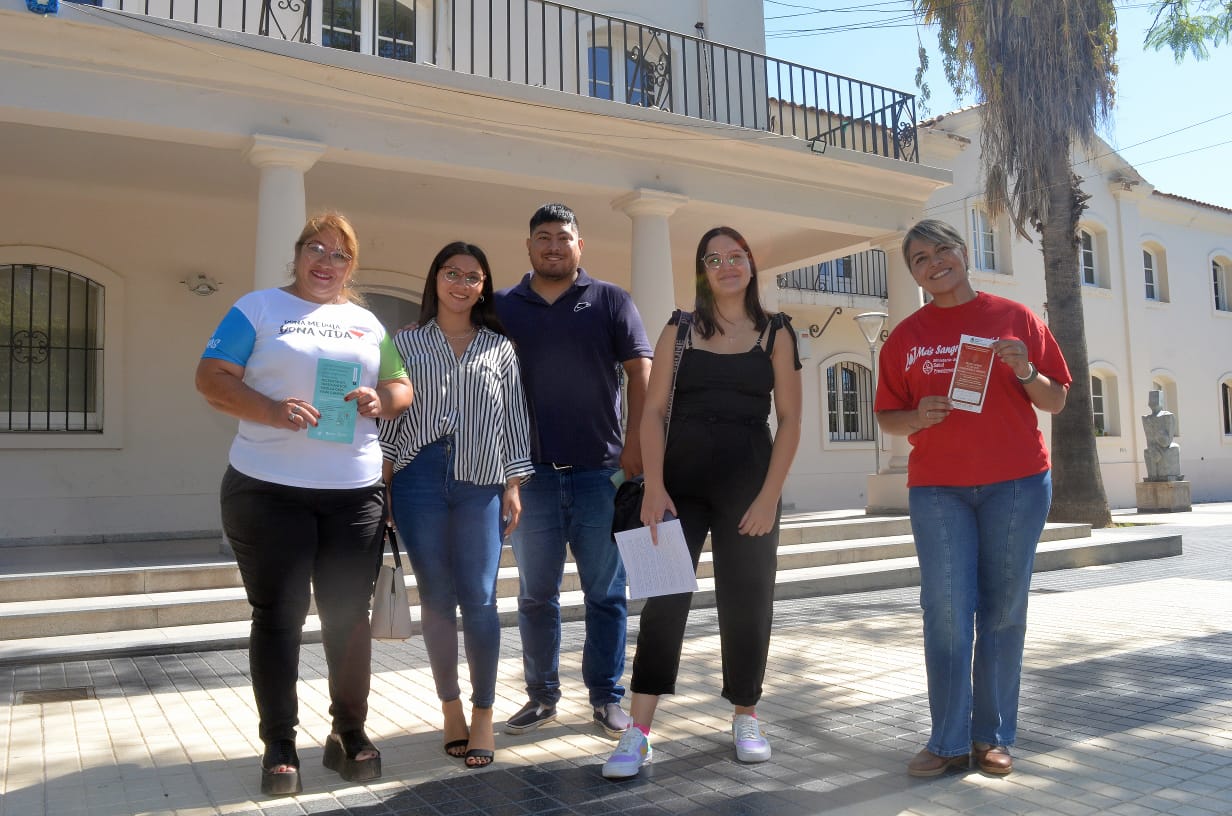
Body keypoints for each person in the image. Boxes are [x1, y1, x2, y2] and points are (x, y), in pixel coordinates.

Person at [195, 212, 413, 796]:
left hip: (354, 495)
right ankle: (279, 744)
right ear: (296, 255)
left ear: (351, 266)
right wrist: (271, 410)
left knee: (348, 616)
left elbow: (402, 387)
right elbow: (211, 377)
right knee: (279, 617)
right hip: (267, 490)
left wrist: (380, 399)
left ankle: (349, 733)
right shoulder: (258, 308)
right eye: (316, 248)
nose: (326, 261)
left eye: (340, 254)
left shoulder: (366, 322)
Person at [601, 226, 802, 779]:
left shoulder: (777, 332)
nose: (726, 266)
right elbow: (651, 412)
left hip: (750, 488)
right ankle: (639, 732)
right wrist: (655, 487)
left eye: (736, 256)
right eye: (714, 259)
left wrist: (770, 496)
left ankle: (746, 714)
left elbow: (790, 421)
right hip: (677, 487)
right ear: (702, 272)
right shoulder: (680, 328)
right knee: (663, 604)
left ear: (750, 264)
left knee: (748, 601)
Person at [873, 219, 1070, 778]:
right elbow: (887, 416)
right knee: (946, 611)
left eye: (942, 251)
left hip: (1017, 484)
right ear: (913, 274)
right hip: (938, 489)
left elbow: (1055, 400)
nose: (934, 263)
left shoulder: (1015, 318)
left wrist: (1025, 369)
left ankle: (993, 737)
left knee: (1004, 610)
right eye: (920, 259)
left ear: (963, 252)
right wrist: (917, 416)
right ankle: (947, 740)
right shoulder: (905, 337)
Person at [494, 203, 653, 738]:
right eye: (543, 237)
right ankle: (542, 697)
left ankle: (606, 698)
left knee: (606, 594)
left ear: (580, 246)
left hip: (599, 476)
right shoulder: (502, 306)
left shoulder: (611, 300)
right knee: (535, 596)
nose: (553, 246)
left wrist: (634, 445)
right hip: (530, 477)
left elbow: (640, 371)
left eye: (564, 237)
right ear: (528, 246)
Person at [379, 242, 534, 768]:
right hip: (417, 479)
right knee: (437, 600)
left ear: (483, 287)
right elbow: (390, 419)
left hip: (481, 481)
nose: (461, 284)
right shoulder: (405, 342)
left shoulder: (500, 349)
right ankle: (450, 709)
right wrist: (384, 485)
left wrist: (513, 483)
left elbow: (514, 418)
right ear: (436, 279)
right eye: (452, 273)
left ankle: (483, 712)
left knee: (481, 599)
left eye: (473, 276)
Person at [1142, 390, 1182, 481]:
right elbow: (1149, 439)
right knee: (1147, 452)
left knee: (1172, 449)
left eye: (1155, 399)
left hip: (1164, 446)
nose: (1153, 402)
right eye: (1151, 400)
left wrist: (1159, 437)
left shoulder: (1168, 416)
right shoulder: (1146, 419)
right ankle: (1153, 475)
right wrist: (1152, 449)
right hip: (1154, 448)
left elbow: (1168, 440)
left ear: (1161, 401)